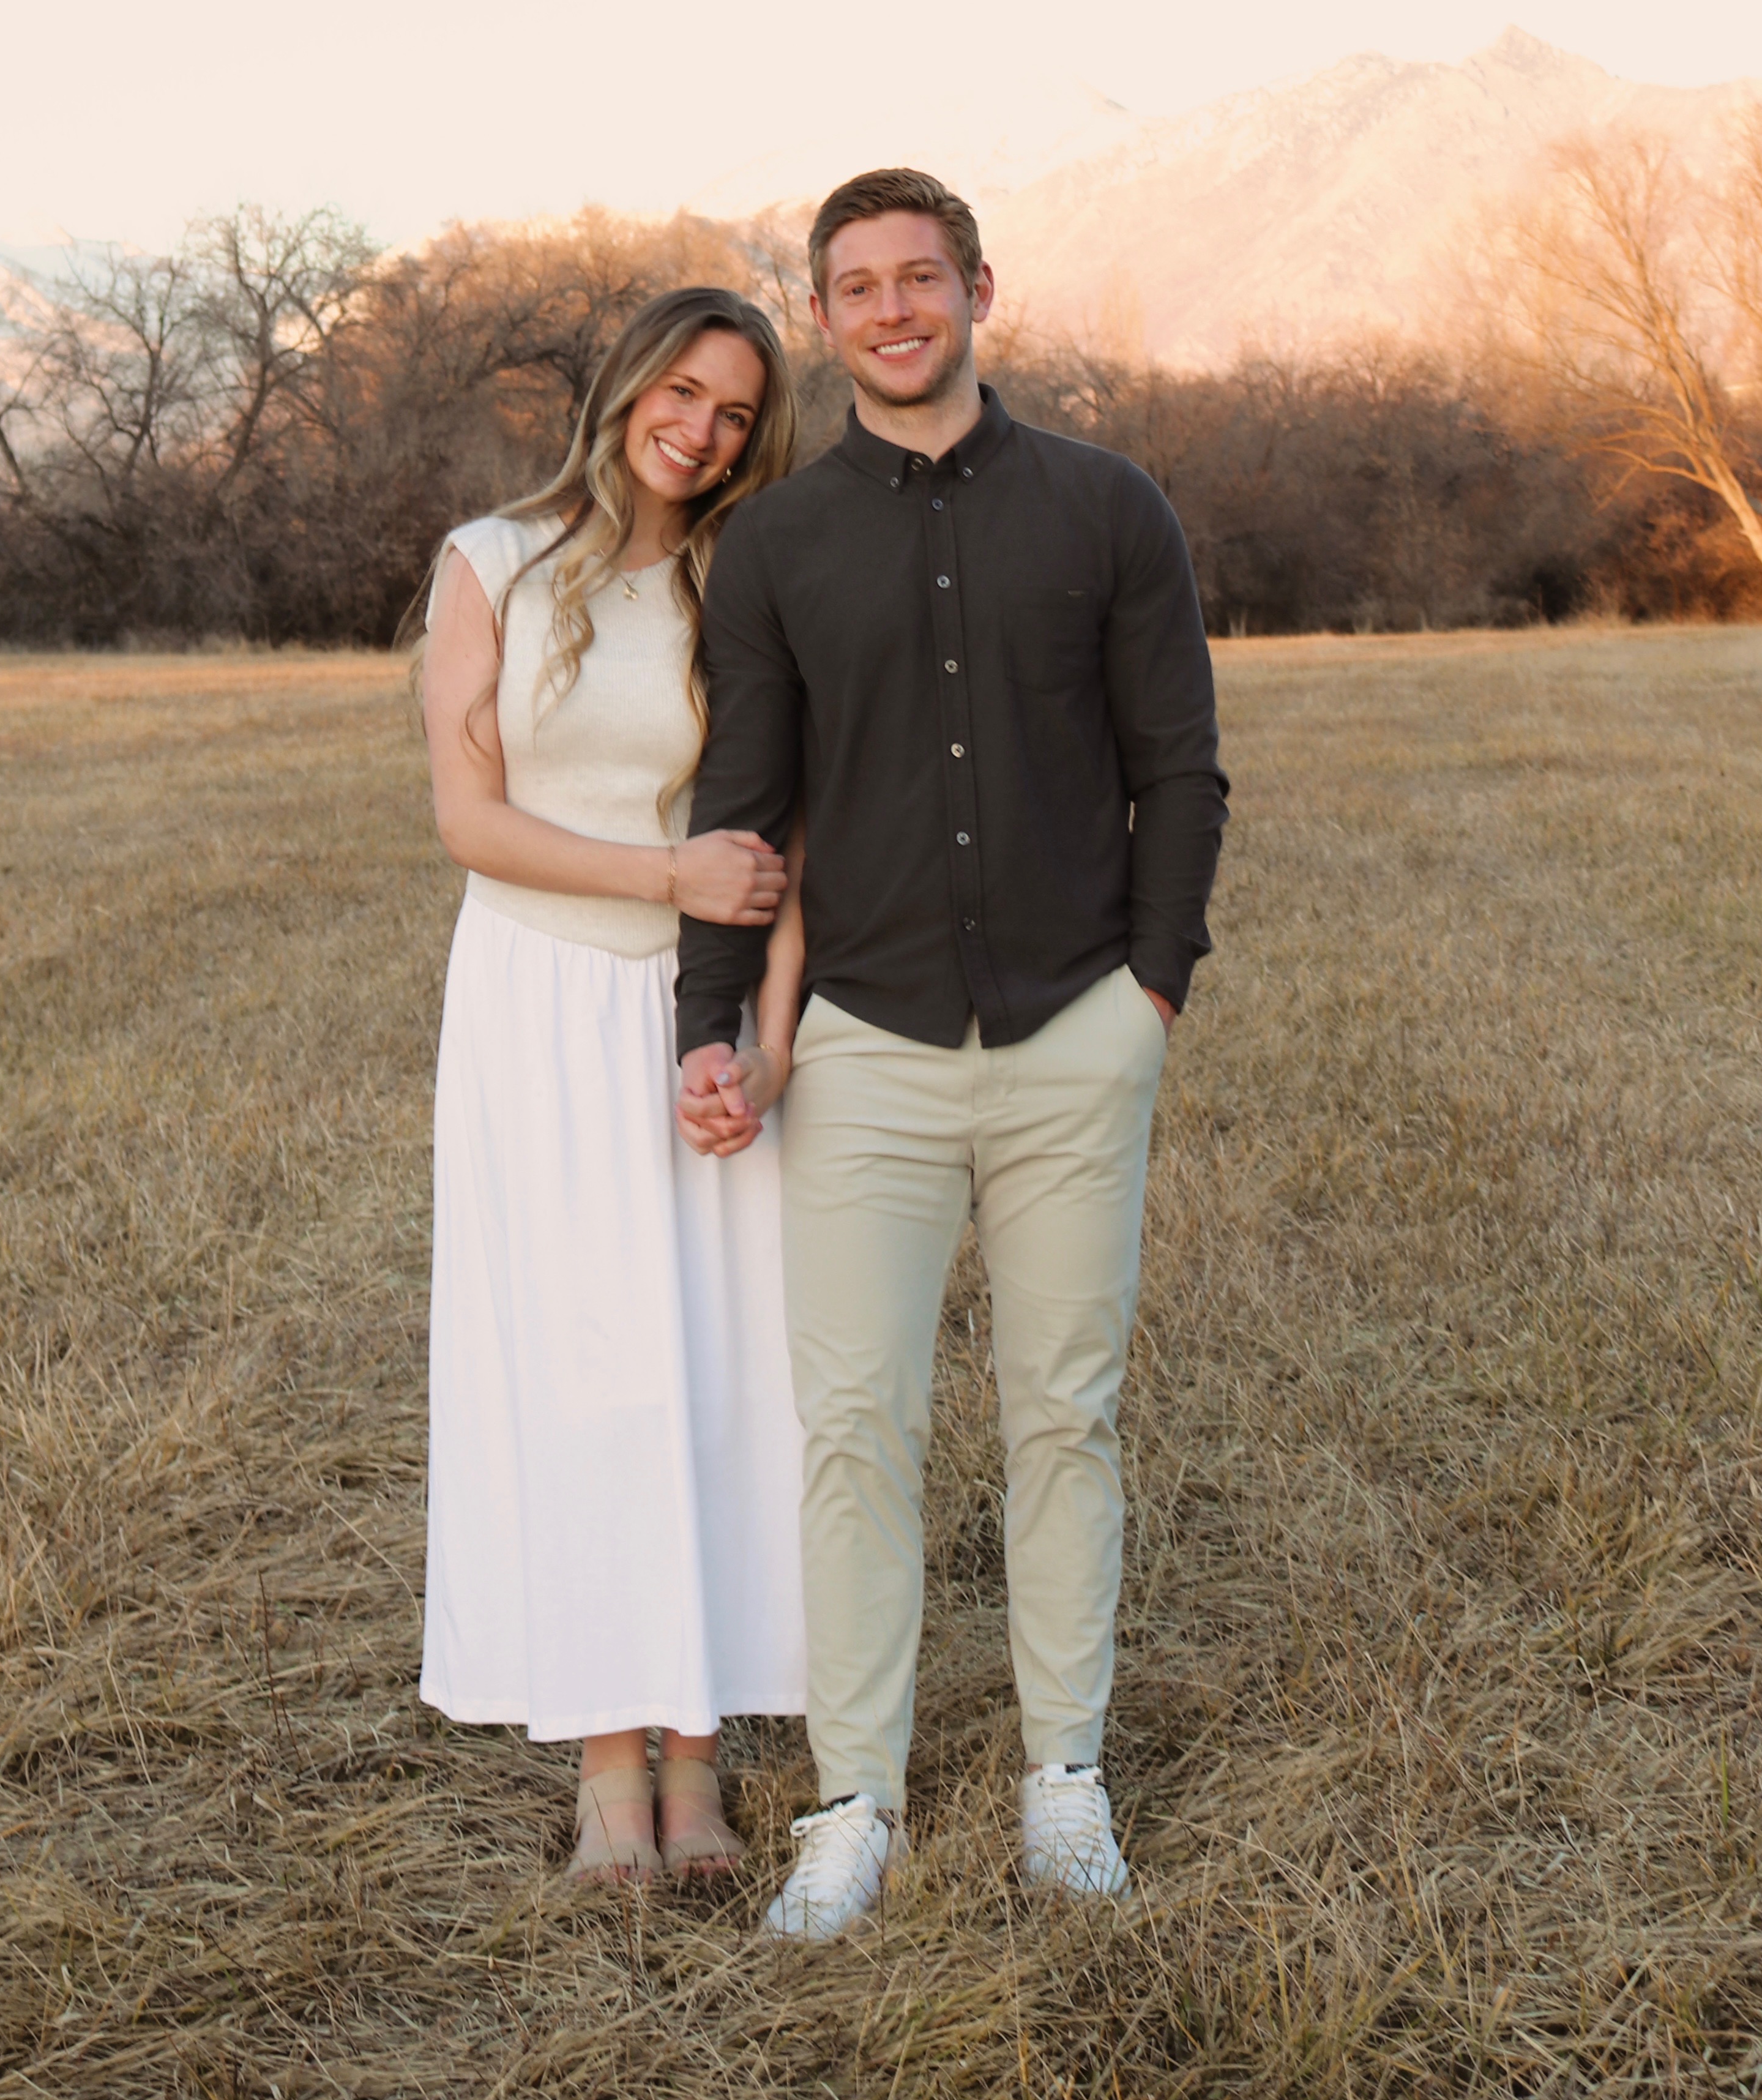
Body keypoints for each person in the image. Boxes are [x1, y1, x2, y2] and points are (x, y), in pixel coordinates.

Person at [676, 170, 1228, 1940]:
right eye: (858, 286)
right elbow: (741, 807)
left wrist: (1148, 994)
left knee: (1064, 1414)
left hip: (1077, 1030)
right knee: (856, 1428)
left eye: (923, 277)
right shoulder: (773, 547)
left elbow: (1182, 771)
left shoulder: (1107, 505)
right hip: (864, 1052)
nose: (895, 309)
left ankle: (1064, 1777)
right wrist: (711, 1028)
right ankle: (854, 1801)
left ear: (979, 288)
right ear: (823, 314)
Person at [418, 286, 809, 1883]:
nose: (701, 429)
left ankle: (700, 1756)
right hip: (535, 997)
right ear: (630, 379)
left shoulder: (751, 585)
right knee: (574, 1365)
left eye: (734, 413)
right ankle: (601, 1764)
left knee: (718, 1365)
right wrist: (663, 877)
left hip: (698, 1006)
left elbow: (792, 854)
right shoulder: (489, 562)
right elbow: (471, 819)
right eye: (684, 390)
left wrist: (768, 1050)